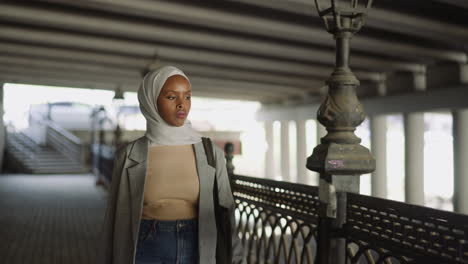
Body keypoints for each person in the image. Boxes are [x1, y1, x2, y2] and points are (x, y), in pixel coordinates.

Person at [98, 66, 245, 264]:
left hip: (199, 245)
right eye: (171, 97)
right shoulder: (129, 155)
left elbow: (227, 214)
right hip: (145, 246)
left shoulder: (210, 153)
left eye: (187, 97)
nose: (181, 105)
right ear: (152, 101)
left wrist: (237, 259)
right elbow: (115, 220)